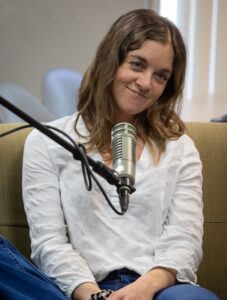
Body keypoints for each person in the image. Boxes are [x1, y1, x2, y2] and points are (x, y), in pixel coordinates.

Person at [0, 8, 220, 300]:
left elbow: (185, 241)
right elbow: (50, 243)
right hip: (74, 291)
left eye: (161, 76)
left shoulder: (179, 148)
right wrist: (93, 295)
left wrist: (143, 289)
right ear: (110, 60)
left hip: (156, 291)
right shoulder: (47, 141)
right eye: (137, 64)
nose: (146, 83)